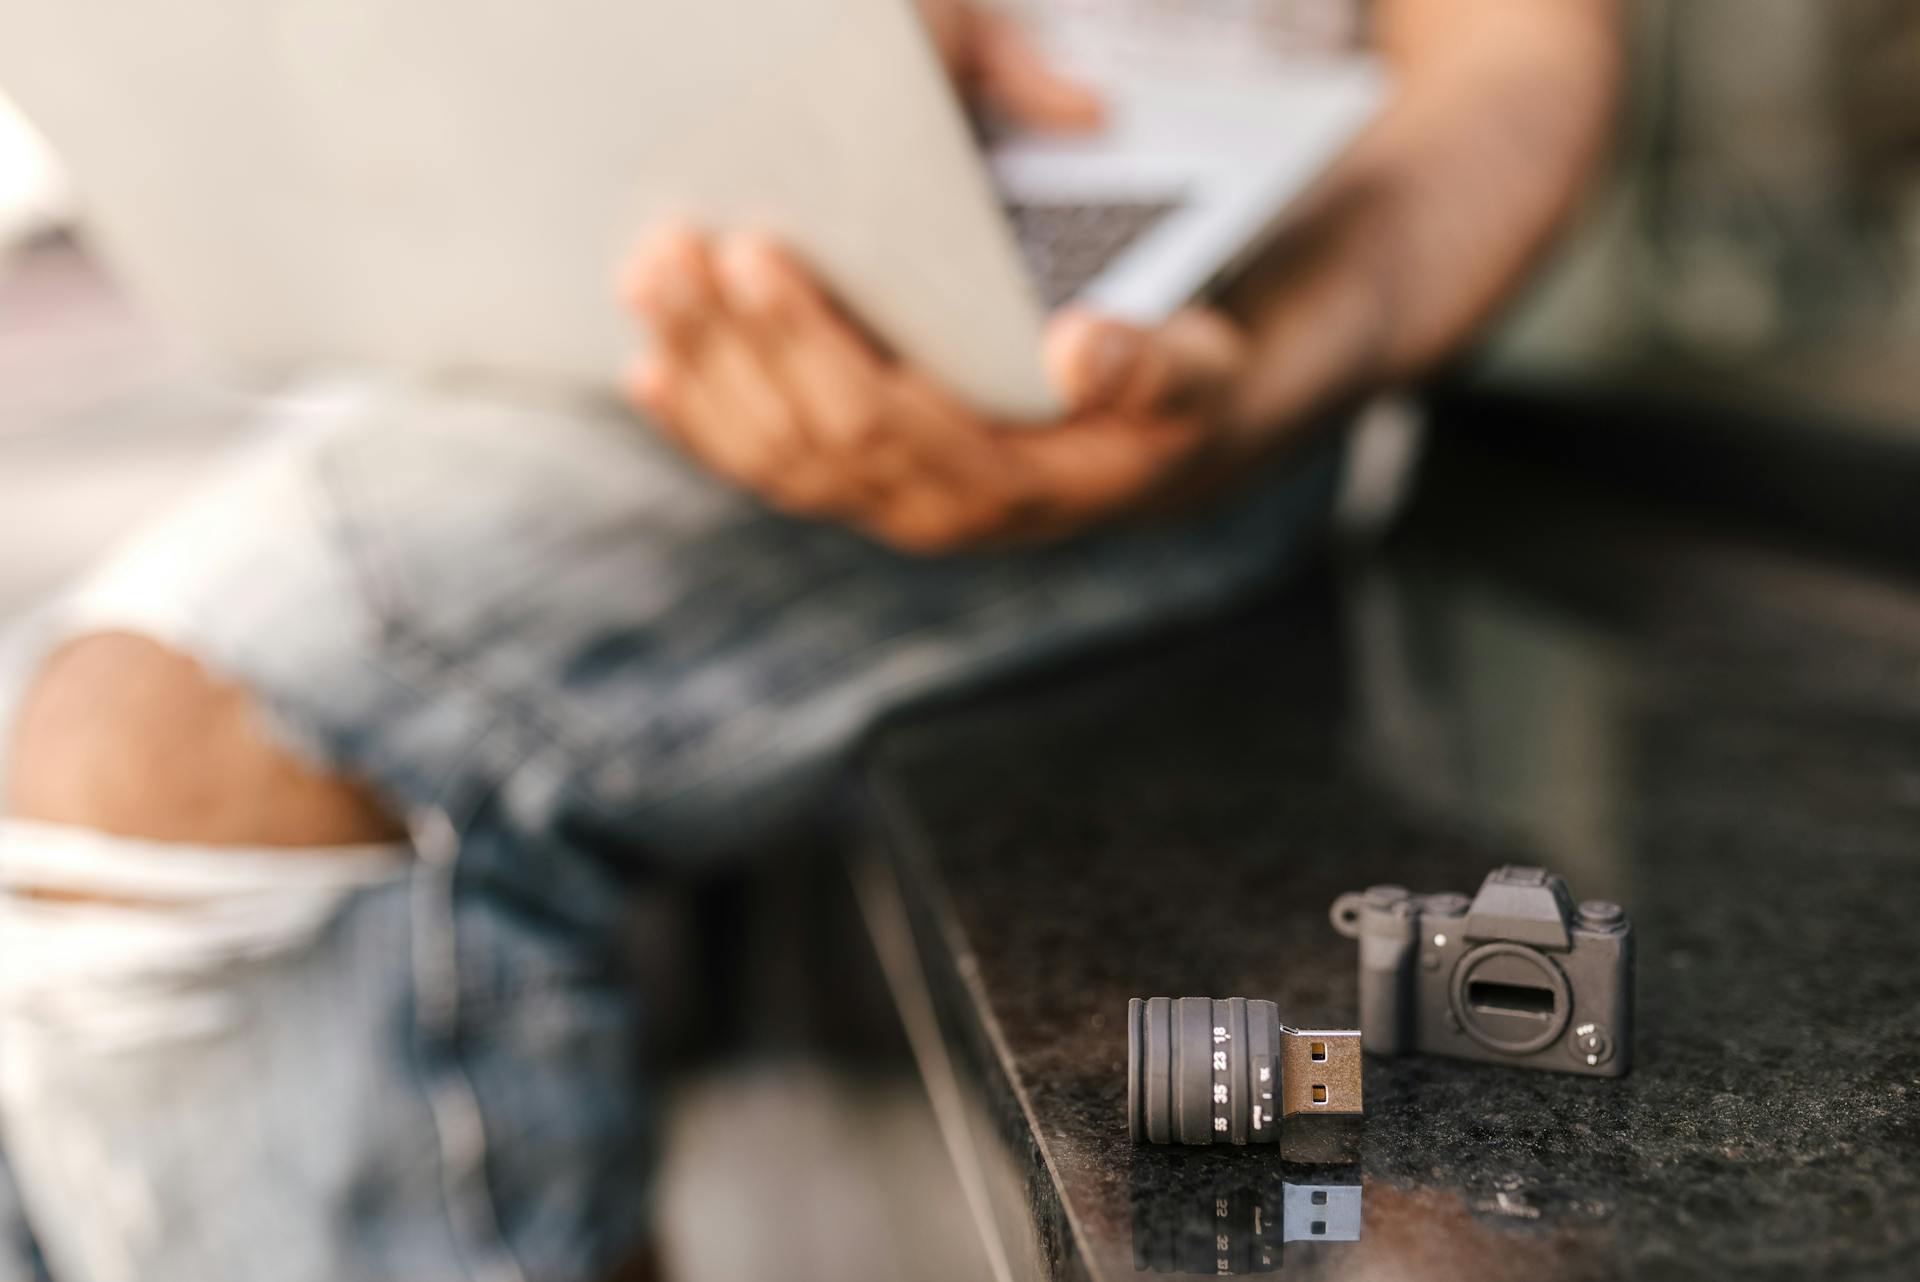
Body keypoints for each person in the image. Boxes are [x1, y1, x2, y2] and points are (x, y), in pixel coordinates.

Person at [0, 1, 1620, 1278]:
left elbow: (1515, 43)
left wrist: (1282, 357)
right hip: (615, 275)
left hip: (1177, 315)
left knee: (180, 740)